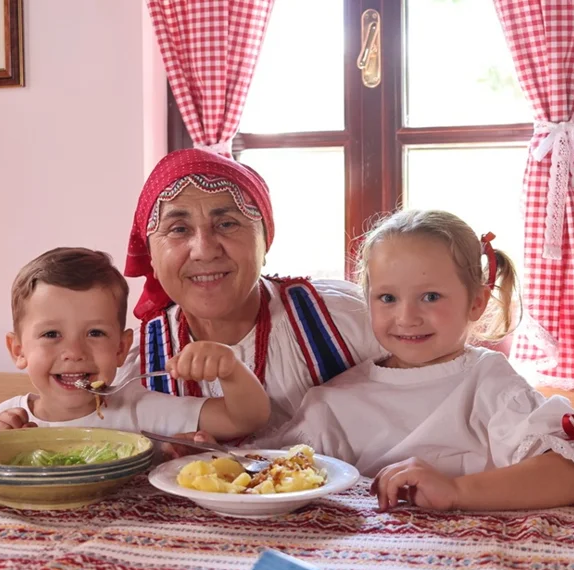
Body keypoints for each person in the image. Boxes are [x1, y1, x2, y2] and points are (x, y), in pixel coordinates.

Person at [260, 209, 574, 512]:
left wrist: (456, 491)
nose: (407, 317)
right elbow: (270, 476)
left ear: (476, 303)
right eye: (387, 298)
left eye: (431, 297)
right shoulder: (333, 402)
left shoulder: (488, 382)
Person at [119, 149, 383, 438]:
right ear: (151, 258)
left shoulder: (350, 319)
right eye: (178, 229)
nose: (204, 250)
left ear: (265, 240)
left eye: (227, 224)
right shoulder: (132, 368)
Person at [0, 247, 270, 440]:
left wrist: (230, 369)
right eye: (52, 335)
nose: (74, 353)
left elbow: (244, 419)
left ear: (121, 348)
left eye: (95, 333)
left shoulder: (138, 409)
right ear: (18, 351)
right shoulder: (4, 422)